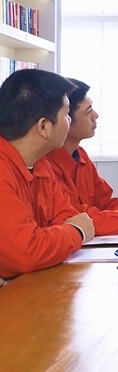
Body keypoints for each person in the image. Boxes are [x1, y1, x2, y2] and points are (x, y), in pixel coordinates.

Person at [0, 70, 96, 279]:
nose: (69, 121)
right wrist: (77, 232)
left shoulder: (40, 163)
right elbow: (27, 251)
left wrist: (58, 234)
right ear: (44, 126)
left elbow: (67, 216)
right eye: (67, 115)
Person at [46, 79, 118, 235]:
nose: (95, 115)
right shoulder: (47, 164)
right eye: (88, 111)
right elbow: (79, 219)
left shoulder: (81, 155)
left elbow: (106, 203)